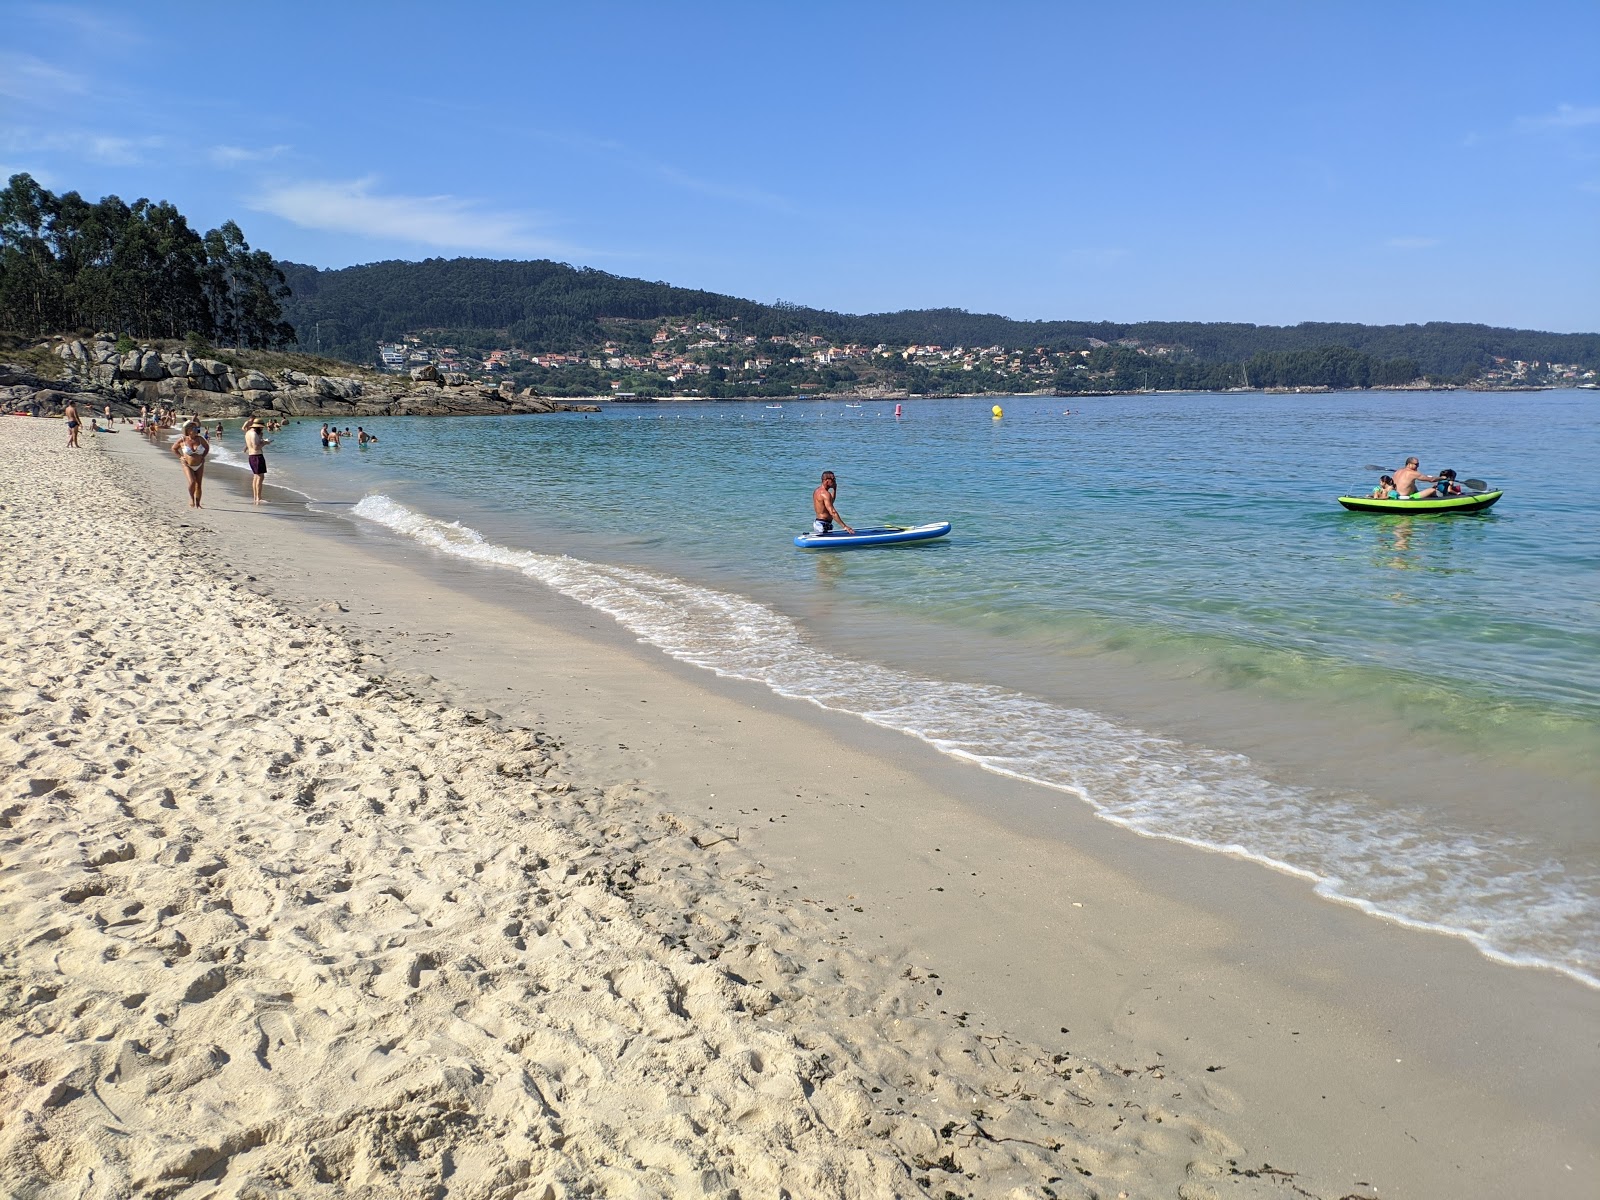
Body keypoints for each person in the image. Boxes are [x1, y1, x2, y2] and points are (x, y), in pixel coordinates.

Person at [173, 422, 210, 508]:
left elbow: (207, 448)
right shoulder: (183, 440)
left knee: (199, 484)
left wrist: (203, 457)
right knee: (192, 482)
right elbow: (174, 448)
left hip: (199, 464)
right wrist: (181, 457)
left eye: (196, 428)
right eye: (193, 429)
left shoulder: (200, 439)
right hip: (187, 465)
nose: (196, 430)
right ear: (188, 430)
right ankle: (191, 499)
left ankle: (198, 503)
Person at [812, 469, 854, 536]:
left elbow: (830, 502)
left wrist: (834, 489)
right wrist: (844, 526)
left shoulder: (817, 491)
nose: (834, 481)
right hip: (822, 525)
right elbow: (833, 512)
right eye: (833, 479)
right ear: (826, 480)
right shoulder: (825, 494)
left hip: (820, 523)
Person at [244, 418, 271, 505]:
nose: (262, 429)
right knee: (260, 477)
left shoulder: (248, 433)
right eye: (261, 427)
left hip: (251, 456)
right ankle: (258, 498)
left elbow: (250, 445)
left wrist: (261, 439)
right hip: (257, 456)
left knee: (256, 476)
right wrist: (265, 443)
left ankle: (256, 497)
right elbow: (256, 447)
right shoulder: (254, 434)